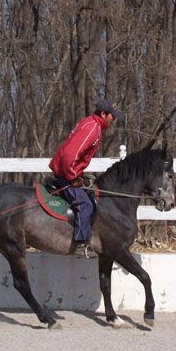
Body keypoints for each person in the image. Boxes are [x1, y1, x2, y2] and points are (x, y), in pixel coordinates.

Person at [48, 99, 124, 257]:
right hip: (65, 173)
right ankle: (80, 244)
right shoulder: (92, 128)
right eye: (112, 116)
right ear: (103, 114)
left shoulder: (91, 124)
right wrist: (73, 177)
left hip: (68, 171)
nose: (114, 119)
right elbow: (70, 155)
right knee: (85, 204)